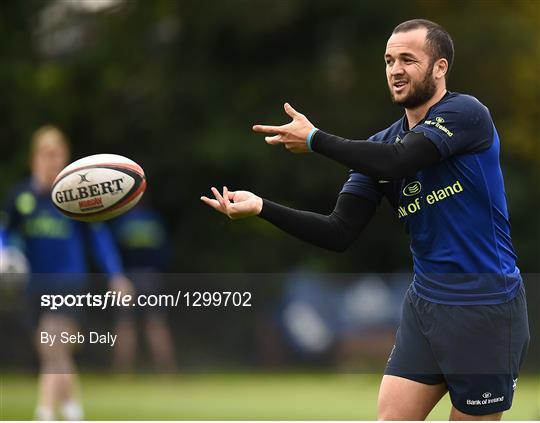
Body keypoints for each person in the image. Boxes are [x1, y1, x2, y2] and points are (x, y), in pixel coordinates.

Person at [201, 19, 530, 421]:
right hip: (426, 306)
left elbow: (402, 160)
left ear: (440, 67)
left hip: (485, 307)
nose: (395, 69)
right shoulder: (377, 147)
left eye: (408, 59)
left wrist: (314, 139)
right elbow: (338, 232)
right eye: (389, 60)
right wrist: (263, 208)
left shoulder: (466, 114)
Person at [0, 125, 133, 420]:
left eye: (58, 156)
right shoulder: (21, 197)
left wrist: (115, 275)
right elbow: (5, 232)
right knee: (55, 354)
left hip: (70, 284)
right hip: (35, 288)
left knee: (52, 343)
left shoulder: (75, 197)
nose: (53, 163)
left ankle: (44, 412)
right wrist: (4, 253)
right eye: (47, 156)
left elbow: (99, 238)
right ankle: (73, 411)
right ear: (35, 158)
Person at [108, 201, 177, 372]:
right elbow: (165, 252)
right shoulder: (154, 220)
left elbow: (113, 251)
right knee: (156, 324)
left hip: (127, 278)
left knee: (125, 325)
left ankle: (122, 372)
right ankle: (167, 372)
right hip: (151, 276)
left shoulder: (121, 220)